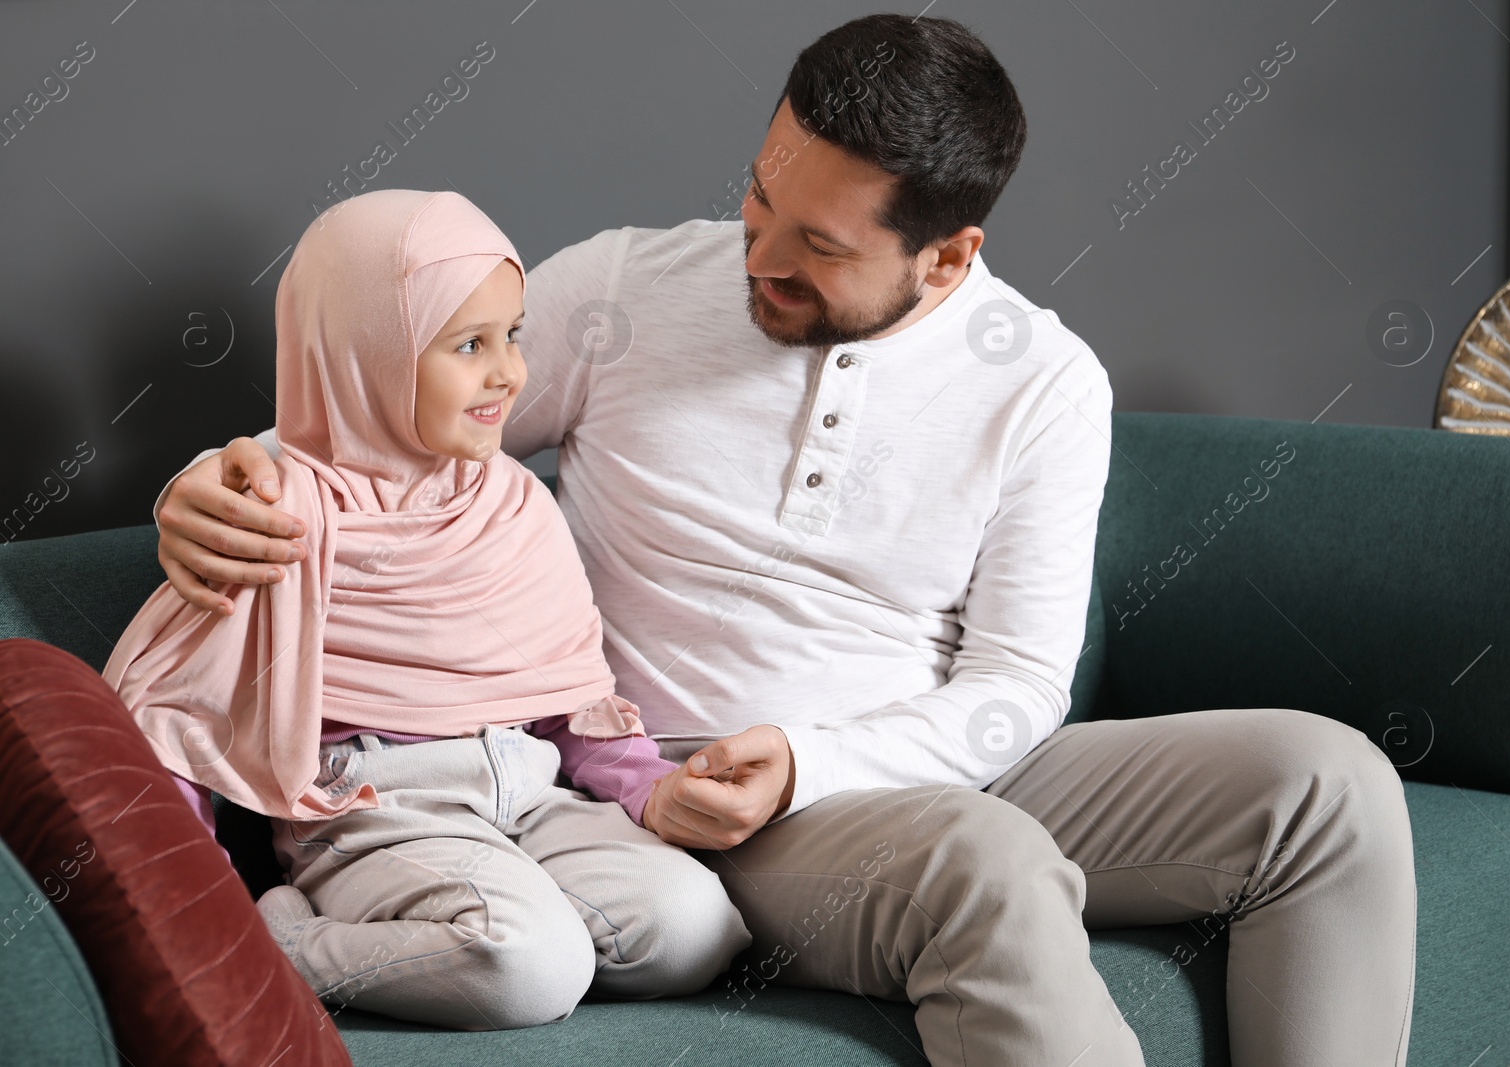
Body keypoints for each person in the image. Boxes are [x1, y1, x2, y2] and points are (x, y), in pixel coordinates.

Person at [146, 14, 1417, 1066]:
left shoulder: (1040, 380)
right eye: (759, 196)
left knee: (1329, 782)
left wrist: (813, 757)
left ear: (947, 255)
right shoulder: (622, 292)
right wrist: (215, 479)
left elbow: (1018, 687)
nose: (758, 253)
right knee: (984, 861)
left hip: (910, 757)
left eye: (817, 247)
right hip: (687, 792)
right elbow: (376, 428)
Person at [102, 187, 750, 1031]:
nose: (508, 372)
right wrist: (199, 894)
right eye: (468, 344)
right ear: (363, 354)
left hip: (533, 791)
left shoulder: (515, 504)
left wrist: (649, 789)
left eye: (512, 336)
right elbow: (185, 717)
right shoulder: (278, 513)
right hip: (379, 812)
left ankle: (502, 928)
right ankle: (281, 941)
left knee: (695, 930)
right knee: (531, 970)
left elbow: (564, 695)